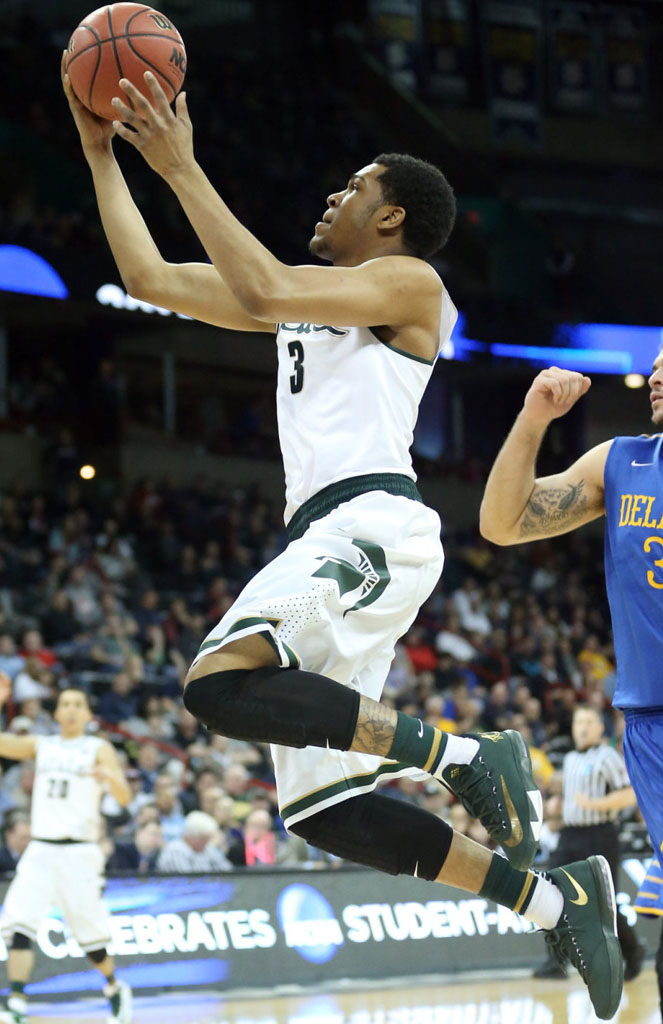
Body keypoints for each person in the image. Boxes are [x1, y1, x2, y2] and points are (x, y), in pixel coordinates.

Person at [63, 64, 622, 1020]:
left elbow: (272, 287)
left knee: (213, 681)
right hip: (333, 536)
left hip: (371, 525)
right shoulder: (306, 294)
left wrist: (184, 167)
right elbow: (146, 277)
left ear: (393, 216)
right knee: (323, 812)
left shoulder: (410, 283)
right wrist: (99, 152)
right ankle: (549, 898)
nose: (333, 195)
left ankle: (456, 756)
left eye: (352, 186)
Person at [480, 353, 663, 994]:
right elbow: (501, 523)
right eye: (657, 361)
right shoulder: (623, 461)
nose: (659, 372)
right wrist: (533, 420)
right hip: (649, 723)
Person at [0, 674, 132, 1024]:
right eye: (65, 704)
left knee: (91, 939)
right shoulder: (42, 745)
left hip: (80, 853)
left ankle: (113, 986)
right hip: (40, 850)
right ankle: (15, 1001)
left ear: (88, 713)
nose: (71, 710)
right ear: (56, 712)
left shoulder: (98, 748)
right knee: (17, 926)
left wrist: (111, 780)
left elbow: (124, 798)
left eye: (78, 704)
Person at [533, 705, 643, 981]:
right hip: (571, 834)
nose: (581, 726)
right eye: (577, 721)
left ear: (599, 728)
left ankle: (633, 950)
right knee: (550, 892)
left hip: (600, 834)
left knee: (604, 904)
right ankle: (556, 961)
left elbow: (630, 795)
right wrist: (560, 807)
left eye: (587, 721)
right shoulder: (569, 758)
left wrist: (594, 804)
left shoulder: (607, 757)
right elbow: (573, 800)